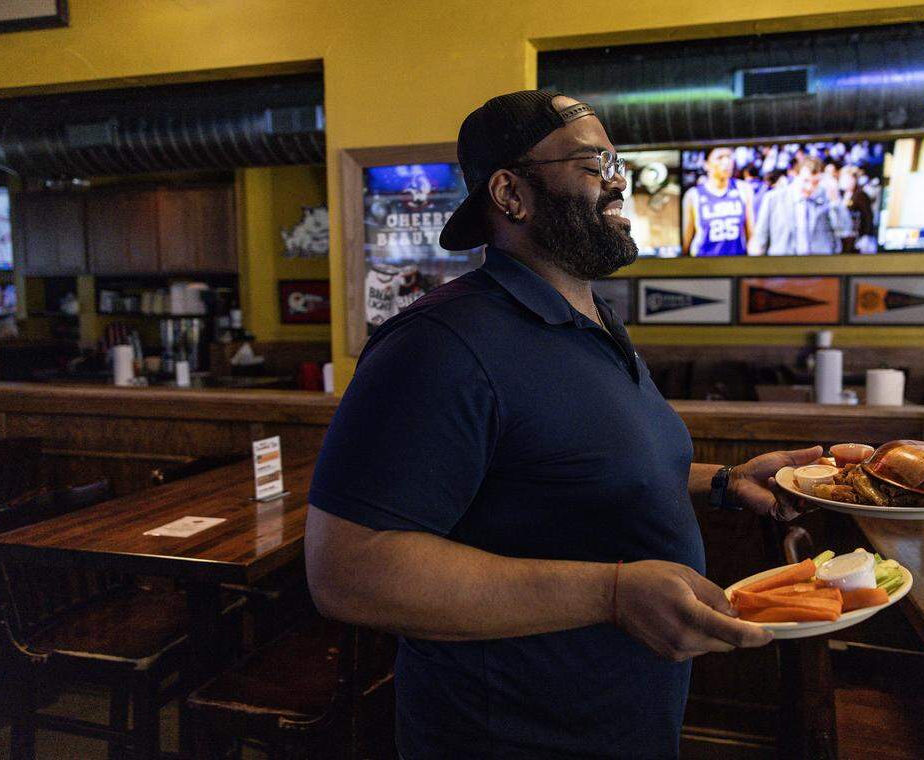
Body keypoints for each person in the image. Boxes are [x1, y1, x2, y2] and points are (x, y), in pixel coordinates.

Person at [305, 90, 822, 759]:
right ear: (510, 194)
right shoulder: (441, 344)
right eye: (592, 161)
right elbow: (347, 568)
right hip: (514, 736)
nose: (618, 177)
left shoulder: (594, 317)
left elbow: (565, 469)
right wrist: (610, 594)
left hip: (622, 720)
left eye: (616, 159)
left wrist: (719, 481)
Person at [749, 156, 849, 255]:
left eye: (815, 182)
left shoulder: (827, 200)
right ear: (795, 175)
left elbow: (844, 230)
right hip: (783, 267)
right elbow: (760, 239)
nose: (810, 187)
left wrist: (835, 201)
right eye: (805, 180)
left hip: (819, 267)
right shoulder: (773, 199)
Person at [681, 147, 755, 256]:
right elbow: (685, 242)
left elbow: (751, 235)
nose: (726, 162)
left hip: (737, 264)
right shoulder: (693, 195)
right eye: (720, 158)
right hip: (705, 265)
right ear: (706, 164)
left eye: (729, 157)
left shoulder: (743, 189)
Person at [836, 164, 876, 253]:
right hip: (845, 238)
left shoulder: (860, 195)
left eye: (845, 178)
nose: (842, 181)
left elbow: (868, 217)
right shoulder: (842, 195)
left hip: (859, 240)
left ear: (853, 179)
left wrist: (865, 236)